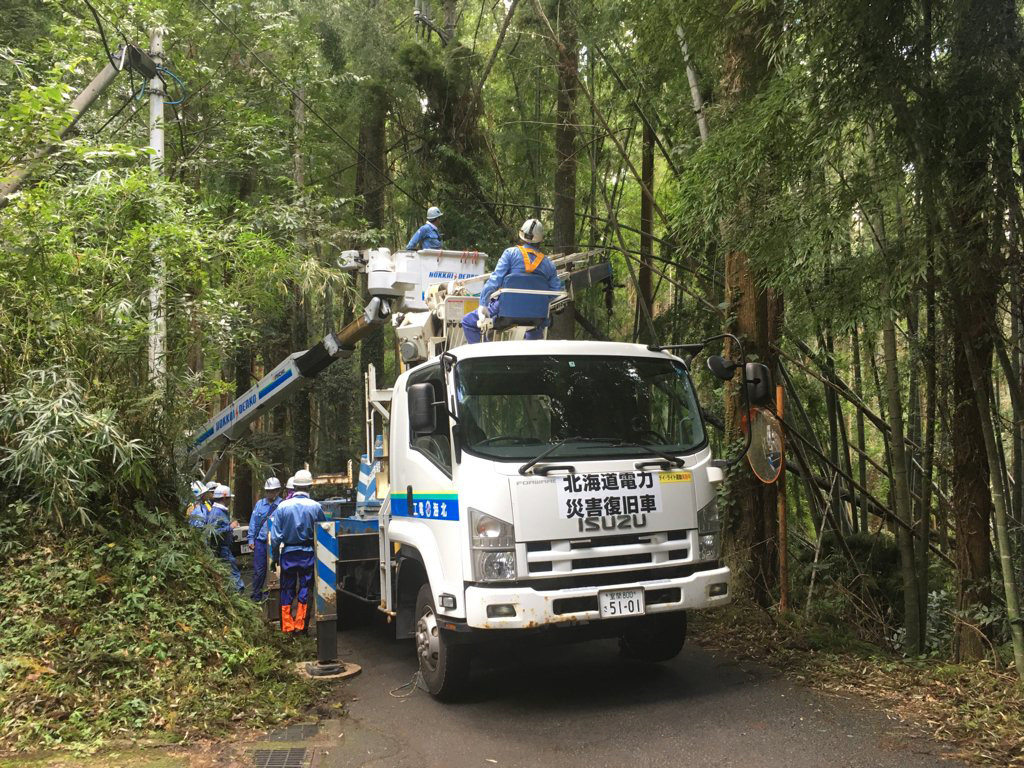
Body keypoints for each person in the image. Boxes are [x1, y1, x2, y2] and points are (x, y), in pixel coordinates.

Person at [461, 218, 562, 343]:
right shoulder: (549, 264)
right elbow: (557, 291)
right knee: (534, 331)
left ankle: (484, 355)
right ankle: (530, 359)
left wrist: (483, 303)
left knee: (468, 322)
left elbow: (495, 280)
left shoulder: (510, 254)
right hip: (536, 316)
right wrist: (536, 302)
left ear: (521, 236)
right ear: (541, 240)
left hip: (506, 312)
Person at [269, 469, 326, 634]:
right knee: (305, 588)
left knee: (287, 588)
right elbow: (323, 531)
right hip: (308, 553)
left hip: (288, 553)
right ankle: (301, 626)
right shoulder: (316, 507)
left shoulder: (282, 507)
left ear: (293, 486)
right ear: (310, 486)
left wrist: (274, 557)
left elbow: (275, 537)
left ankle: (287, 627)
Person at [205, 484, 245, 593]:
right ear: (224, 498)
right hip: (222, 550)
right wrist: (230, 527)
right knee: (234, 574)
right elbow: (212, 532)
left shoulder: (220, 511)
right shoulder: (217, 512)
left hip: (224, 549)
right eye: (229, 498)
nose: (230, 500)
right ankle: (238, 594)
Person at [248, 477, 282, 602]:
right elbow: (253, 523)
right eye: (268, 491)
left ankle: (270, 597)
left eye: (273, 491)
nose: (270, 493)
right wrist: (251, 539)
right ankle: (256, 596)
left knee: (274, 570)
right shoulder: (259, 504)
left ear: (278, 491)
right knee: (259, 571)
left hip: (276, 544)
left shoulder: (282, 505)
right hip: (260, 542)